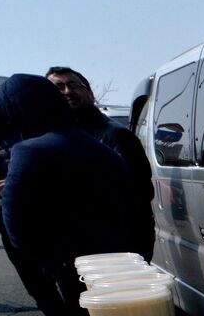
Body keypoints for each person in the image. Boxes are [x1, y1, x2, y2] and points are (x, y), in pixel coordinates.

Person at [0, 73, 134, 316]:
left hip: (72, 265)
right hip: (116, 258)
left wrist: (46, 260)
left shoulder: (30, 150)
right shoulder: (95, 144)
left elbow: (15, 217)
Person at [0, 78, 76, 316]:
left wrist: (12, 183)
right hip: (9, 227)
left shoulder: (27, 133)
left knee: (72, 282)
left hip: (52, 223)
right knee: (38, 287)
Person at [46, 66, 155, 259]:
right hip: (73, 242)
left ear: (90, 93)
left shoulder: (116, 135)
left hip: (117, 241)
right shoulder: (51, 137)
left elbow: (139, 191)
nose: (67, 91)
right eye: (58, 87)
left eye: (73, 85)